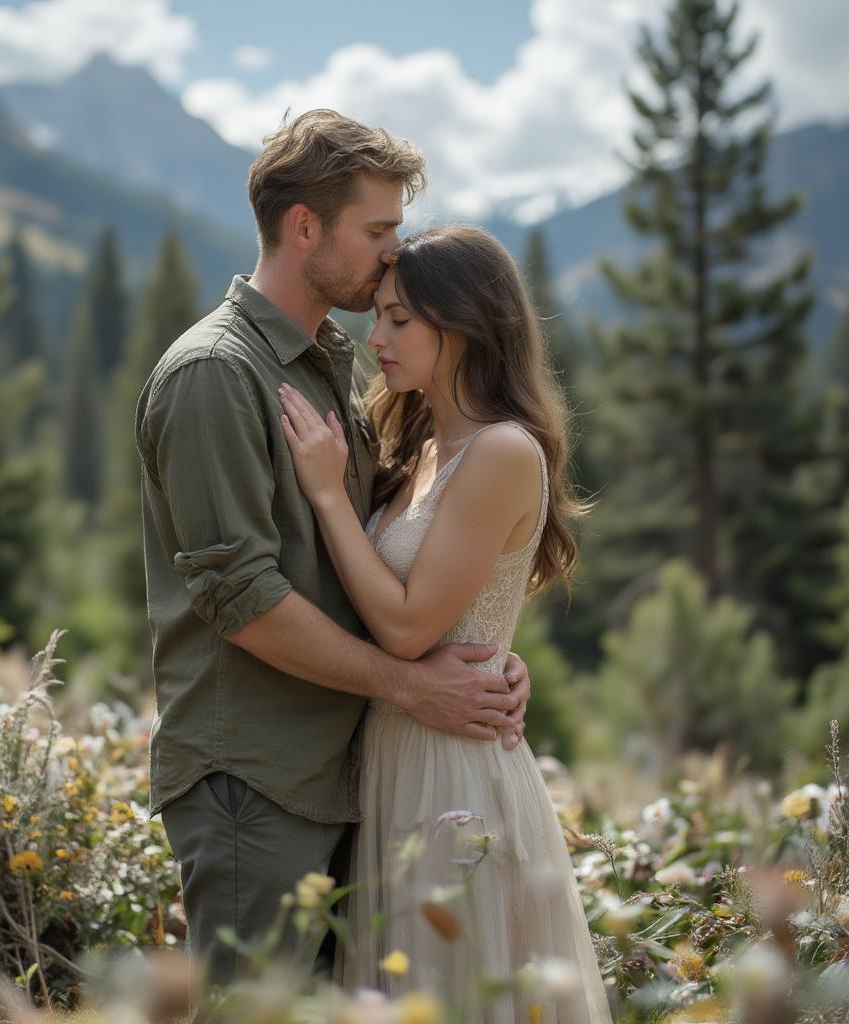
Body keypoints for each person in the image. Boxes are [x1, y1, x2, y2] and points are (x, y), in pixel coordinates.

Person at [134, 109, 532, 987]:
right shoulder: (216, 374)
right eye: (378, 230)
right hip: (255, 780)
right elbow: (240, 596)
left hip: (345, 773)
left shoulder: (322, 364)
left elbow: (401, 558)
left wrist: (485, 659)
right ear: (303, 226)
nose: (395, 254)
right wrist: (410, 683)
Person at [278, 225, 612, 1021]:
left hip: (452, 770)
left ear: (462, 326)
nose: (376, 337)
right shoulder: (424, 441)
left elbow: (404, 631)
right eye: (379, 315)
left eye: (400, 320)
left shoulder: (500, 451)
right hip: (396, 754)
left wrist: (329, 495)